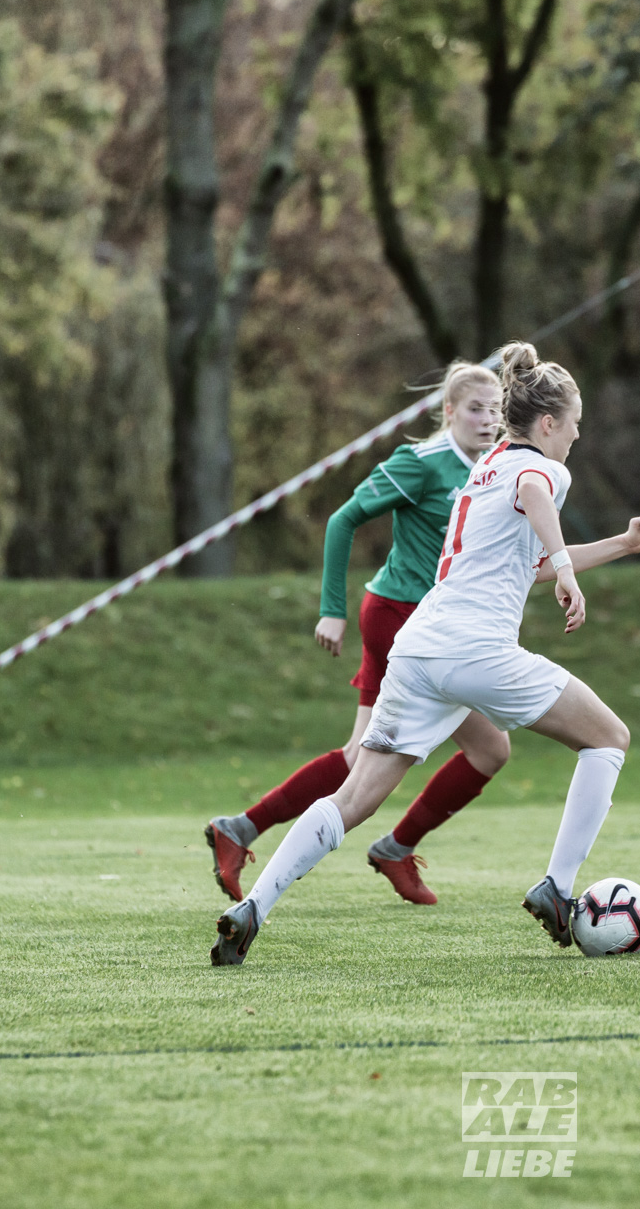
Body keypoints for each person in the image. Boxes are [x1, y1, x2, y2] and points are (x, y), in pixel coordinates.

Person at [211, 343, 640, 965]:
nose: (577, 433)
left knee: (354, 799)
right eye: (574, 422)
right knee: (608, 739)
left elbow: (528, 565)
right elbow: (541, 494)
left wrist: (621, 545)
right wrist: (570, 570)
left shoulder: (484, 470)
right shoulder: (544, 470)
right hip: (474, 649)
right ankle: (557, 887)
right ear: (548, 424)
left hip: (417, 652)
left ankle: (253, 908)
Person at [205, 363, 512, 908]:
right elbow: (342, 520)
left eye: (495, 409)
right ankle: (395, 846)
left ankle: (242, 829)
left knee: (358, 757)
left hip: (431, 626)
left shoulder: (497, 467)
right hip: (403, 620)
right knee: (489, 748)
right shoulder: (420, 464)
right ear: (448, 412)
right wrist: (331, 609)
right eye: (475, 409)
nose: (487, 420)